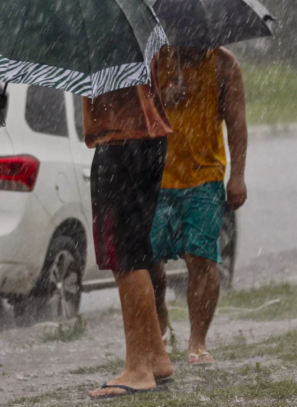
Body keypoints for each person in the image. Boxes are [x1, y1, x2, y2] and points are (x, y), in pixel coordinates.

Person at [149, 45, 248, 365]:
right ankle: (160, 315)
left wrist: (238, 176)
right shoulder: (155, 60)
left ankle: (197, 341)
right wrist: (162, 97)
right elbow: (133, 111)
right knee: (148, 260)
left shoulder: (224, 65)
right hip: (157, 176)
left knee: (202, 258)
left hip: (205, 175)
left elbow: (236, 123)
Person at [84, 57, 175, 399]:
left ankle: (138, 368)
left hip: (122, 141)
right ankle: (155, 356)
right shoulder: (136, 20)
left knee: (124, 256)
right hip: (147, 139)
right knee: (135, 249)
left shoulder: (104, 23)